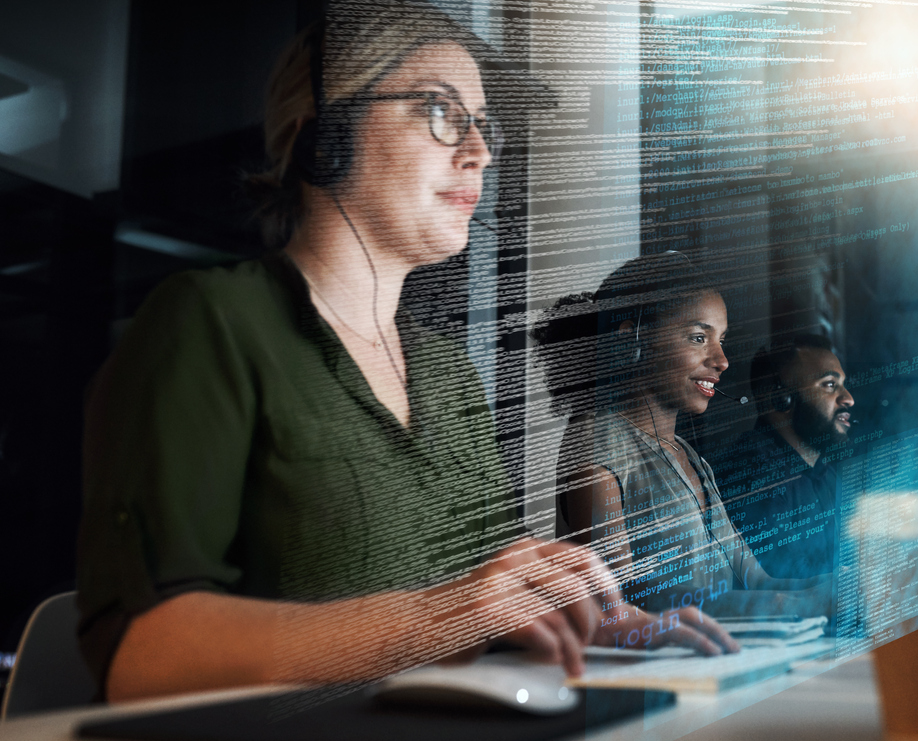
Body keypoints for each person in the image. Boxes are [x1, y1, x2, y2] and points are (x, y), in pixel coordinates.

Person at [75, 3, 730, 704]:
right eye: (441, 112)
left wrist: (624, 631)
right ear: (325, 135)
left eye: (485, 125)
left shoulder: (449, 376)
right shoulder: (212, 323)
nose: (479, 151)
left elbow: (495, 600)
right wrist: (433, 618)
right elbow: (137, 650)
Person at [532, 253, 835, 624]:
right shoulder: (596, 443)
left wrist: (840, 585)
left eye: (721, 340)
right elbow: (620, 598)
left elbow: (757, 581)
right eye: (698, 338)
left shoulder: (689, 457)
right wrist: (788, 606)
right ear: (633, 341)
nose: (722, 360)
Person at [708, 335, 862, 633]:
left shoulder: (825, 473)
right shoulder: (751, 475)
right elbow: (778, 582)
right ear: (780, 399)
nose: (848, 398)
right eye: (830, 384)